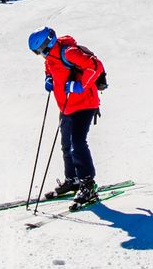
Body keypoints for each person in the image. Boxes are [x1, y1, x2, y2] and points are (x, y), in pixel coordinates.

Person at [30, 26, 106, 204]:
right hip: (66, 107)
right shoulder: (50, 57)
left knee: (77, 143)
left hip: (85, 104)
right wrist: (48, 78)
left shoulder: (69, 52)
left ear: (46, 46)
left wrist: (79, 85)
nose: (40, 55)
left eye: (39, 52)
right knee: (66, 145)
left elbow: (95, 66)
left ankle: (88, 184)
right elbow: (50, 68)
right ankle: (73, 180)